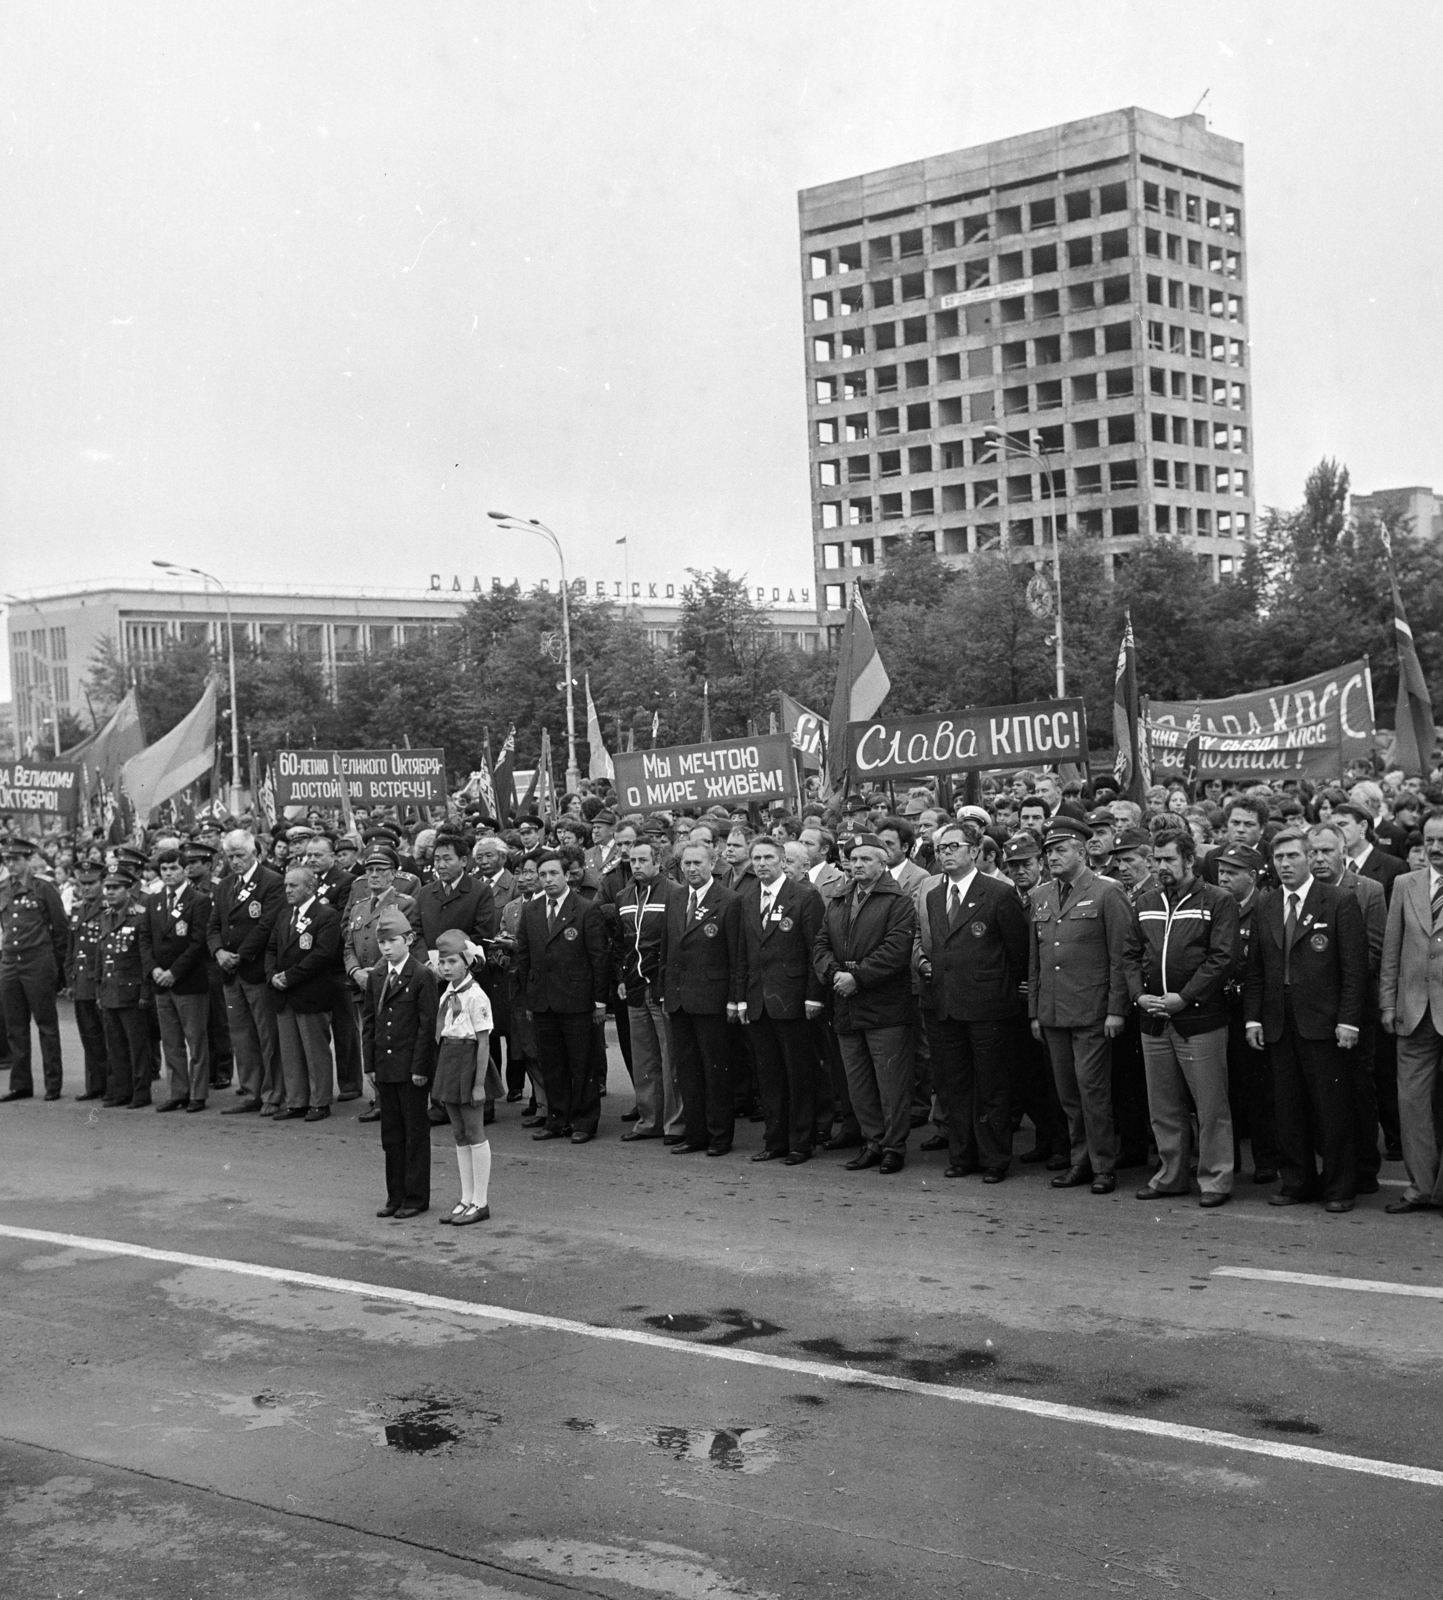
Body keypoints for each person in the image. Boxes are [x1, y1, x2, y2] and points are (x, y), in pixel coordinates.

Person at [1244, 828, 1368, 1212]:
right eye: (1278, 858)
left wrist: (1349, 1020)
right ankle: (1297, 1181)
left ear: (1309, 856)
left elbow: (1354, 969)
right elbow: (1255, 970)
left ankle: (1339, 1187)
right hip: (1280, 1021)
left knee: (1332, 1109)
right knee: (1289, 1108)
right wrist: (1252, 1019)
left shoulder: (1338, 901)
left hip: (1324, 1022)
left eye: (1293, 857)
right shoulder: (1266, 904)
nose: (1285, 865)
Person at [915, 820, 1030, 1182]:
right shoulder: (934, 894)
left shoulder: (997, 893)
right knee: (956, 1085)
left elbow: (1017, 953)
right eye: (941, 849)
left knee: (992, 1086)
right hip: (947, 1006)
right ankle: (962, 1155)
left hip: (988, 1007)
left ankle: (994, 1158)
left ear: (974, 851)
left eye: (953, 847)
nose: (945, 854)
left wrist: (999, 991)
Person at [1028, 817, 1137, 1196]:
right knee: (1068, 1093)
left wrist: (1116, 1009)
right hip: (1054, 1011)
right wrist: (1035, 1011)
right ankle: (1081, 1161)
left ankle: (1103, 1165)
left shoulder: (1108, 892)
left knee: (1093, 1091)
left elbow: (1121, 956)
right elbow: (1036, 959)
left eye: (1061, 850)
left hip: (1092, 1010)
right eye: (1048, 852)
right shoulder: (1040, 896)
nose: (1053, 857)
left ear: (1082, 851)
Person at [1132, 831, 1239, 1207]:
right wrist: (1138, 995)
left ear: (1189, 860)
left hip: (1200, 1019)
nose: (1161, 867)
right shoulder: (1144, 901)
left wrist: (1185, 997)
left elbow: (1222, 958)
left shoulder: (1217, 900)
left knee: (1210, 1105)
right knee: (1163, 1105)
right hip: (1154, 1018)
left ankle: (1215, 1178)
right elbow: (1129, 954)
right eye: (1156, 860)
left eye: (1169, 860)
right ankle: (1171, 1174)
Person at [813, 834, 916, 1174]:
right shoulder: (840, 899)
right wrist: (834, 974)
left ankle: (893, 1147)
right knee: (858, 1085)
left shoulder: (897, 900)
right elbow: (821, 944)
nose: (857, 865)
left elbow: (896, 951)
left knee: (891, 1085)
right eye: (853, 859)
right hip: (847, 1007)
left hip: (884, 1009)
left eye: (865, 859)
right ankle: (872, 1142)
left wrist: (857, 977)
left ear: (883, 862)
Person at [739, 836, 826, 1165]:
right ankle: (774, 1140)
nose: (762, 864)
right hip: (759, 1000)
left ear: (782, 862)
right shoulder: (746, 898)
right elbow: (744, 955)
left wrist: (813, 997)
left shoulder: (804, 897)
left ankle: (801, 1143)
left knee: (798, 1073)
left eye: (769, 858)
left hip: (793, 999)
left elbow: (814, 951)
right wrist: (742, 999)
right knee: (769, 1075)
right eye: (757, 858)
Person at [514, 851, 610, 1143]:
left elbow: (598, 958)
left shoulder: (585, 908)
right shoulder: (531, 910)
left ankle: (584, 1121)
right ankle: (558, 1118)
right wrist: (530, 999)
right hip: (543, 1000)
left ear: (567, 875)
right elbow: (524, 956)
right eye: (542, 875)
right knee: (551, 1062)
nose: (547, 880)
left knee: (582, 1063)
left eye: (553, 874)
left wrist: (599, 1001)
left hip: (577, 999)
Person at [658, 839, 746, 1155]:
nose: (692, 869)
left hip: (712, 999)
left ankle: (719, 1136)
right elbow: (668, 950)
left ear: (711, 864)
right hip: (680, 999)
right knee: (688, 1070)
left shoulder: (729, 900)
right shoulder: (676, 897)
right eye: (686, 864)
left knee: (715, 1070)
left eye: (698, 863)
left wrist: (735, 999)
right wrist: (666, 994)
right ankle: (695, 1134)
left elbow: (737, 955)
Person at [1379, 807, 1443, 1213]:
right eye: (1430, 841)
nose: (1436, 849)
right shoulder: (1406, 883)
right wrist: (1387, 1001)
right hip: (1414, 1011)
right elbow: (1392, 950)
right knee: (1413, 1104)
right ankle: (1420, 1186)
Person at [414, 830, 498, 1125]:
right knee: (441, 1040)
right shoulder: (425, 893)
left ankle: (482, 1103)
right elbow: (416, 933)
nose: (441, 864)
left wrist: (456, 962)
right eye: (437, 859)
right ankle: (442, 1104)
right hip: (434, 979)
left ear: (464, 860)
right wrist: (429, 963)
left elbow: (484, 934)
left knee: (474, 1039)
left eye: (447, 858)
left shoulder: (479, 892)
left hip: (468, 980)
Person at [364, 908, 439, 1219]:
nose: (386, 948)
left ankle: (416, 1197)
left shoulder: (421, 975)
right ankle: (395, 1196)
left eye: (392, 941)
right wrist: (370, 1063)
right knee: (391, 1135)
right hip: (385, 1064)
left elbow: (427, 1026)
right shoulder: (377, 976)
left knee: (414, 1134)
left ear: (408, 940)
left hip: (411, 1068)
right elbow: (369, 1022)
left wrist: (421, 1067)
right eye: (382, 942)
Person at [209, 829, 286, 1116]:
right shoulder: (225, 885)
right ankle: (252, 1091)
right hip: (230, 973)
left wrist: (239, 956)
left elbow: (266, 925)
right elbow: (213, 924)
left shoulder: (271, 882)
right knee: (242, 1036)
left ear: (255, 853)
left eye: (240, 855)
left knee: (268, 1036)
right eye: (230, 856)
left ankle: (274, 1094)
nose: (235, 861)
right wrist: (218, 952)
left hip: (254, 968)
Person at [1215, 843, 1279, 1184]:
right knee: (1223, 1090)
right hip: (1218, 1008)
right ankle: (1230, 1159)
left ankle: (1266, 1160)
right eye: (1221, 870)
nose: (1223, 877)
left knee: (1258, 1090)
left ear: (1252, 876)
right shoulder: (1213, 903)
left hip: (1252, 1009)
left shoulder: (1265, 907)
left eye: (1232, 872)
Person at [613, 838, 681, 1143]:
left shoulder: (674, 892)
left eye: (642, 860)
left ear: (658, 862)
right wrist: (622, 977)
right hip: (636, 988)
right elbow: (621, 944)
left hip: (662, 986)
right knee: (643, 1060)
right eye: (632, 861)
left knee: (670, 1060)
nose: (636, 866)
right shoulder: (623, 896)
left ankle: (675, 1124)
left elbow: (676, 944)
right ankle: (649, 1120)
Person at [266, 864, 342, 1123]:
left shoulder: (326, 915)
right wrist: (273, 975)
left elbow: (323, 954)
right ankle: (297, 1100)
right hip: (284, 993)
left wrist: (289, 976)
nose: (287, 890)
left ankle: (320, 1101)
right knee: (290, 1051)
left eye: (293, 885)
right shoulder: (284, 914)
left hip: (310, 991)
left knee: (314, 1050)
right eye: (286, 885)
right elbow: (271, 948)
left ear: (310, 888)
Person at [140, 847, 212, 1113]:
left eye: (173, 868)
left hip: (188, 981)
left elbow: (198, 943)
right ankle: (177, 1091)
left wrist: (174, 972)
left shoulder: (199, 900)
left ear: (185, 870)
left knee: (195, 1040)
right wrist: (155, 970)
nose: (168, 873)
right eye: (164, 869)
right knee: (171, 1041)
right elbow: (145, 939)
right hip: (161, 982)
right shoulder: (153, 900)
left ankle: (197, 1093)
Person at [0, 837, 69, 1102]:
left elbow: (60, 928)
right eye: (7, 860)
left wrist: (58, 965)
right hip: (10, 962)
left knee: (46, 1025)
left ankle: (53, 1084)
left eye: (16, 859)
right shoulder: (3, 888)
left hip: (37, 961)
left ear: (28, 860)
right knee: (15, 1026)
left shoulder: (43, 887)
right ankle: (20, 1084)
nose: (11, 864)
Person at [432, 927, 493, 1224]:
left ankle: (481, 1201)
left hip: (469, 1062)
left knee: (474, 1130)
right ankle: (466, 1196)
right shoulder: (449, 992)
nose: (446, 968)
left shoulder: (476, 997)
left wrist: (479, 1084)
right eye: (442, 962)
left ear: (467, 962)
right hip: (450, 1060)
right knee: (458, 1131)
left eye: (452, 962)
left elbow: (483, 1042)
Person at [92, 863, 154, 1108]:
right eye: (107, 887)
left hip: (132, 990)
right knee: (115, 1045)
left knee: (137, 1045)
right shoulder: (105, 917)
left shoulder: (139, 915)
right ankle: (121, 1090)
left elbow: (145, 957)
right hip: (109, 989)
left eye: (116, 887)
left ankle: (141, 1092)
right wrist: (98, 988)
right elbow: (100, 954)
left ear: (129, 890)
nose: (109, 892)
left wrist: (145, 992)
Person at [65, 854, 110, 1101]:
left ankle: (113, 1084)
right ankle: (95, 1084)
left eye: (91, 883)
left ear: (102, 882)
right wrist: (69, 981)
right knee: (89, 1035)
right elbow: (71, 949)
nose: (86, 888)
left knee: (107, 1034)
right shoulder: (76, 910)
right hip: (81, 981)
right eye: (82, 884)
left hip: (101, 980)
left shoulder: (108, 908)